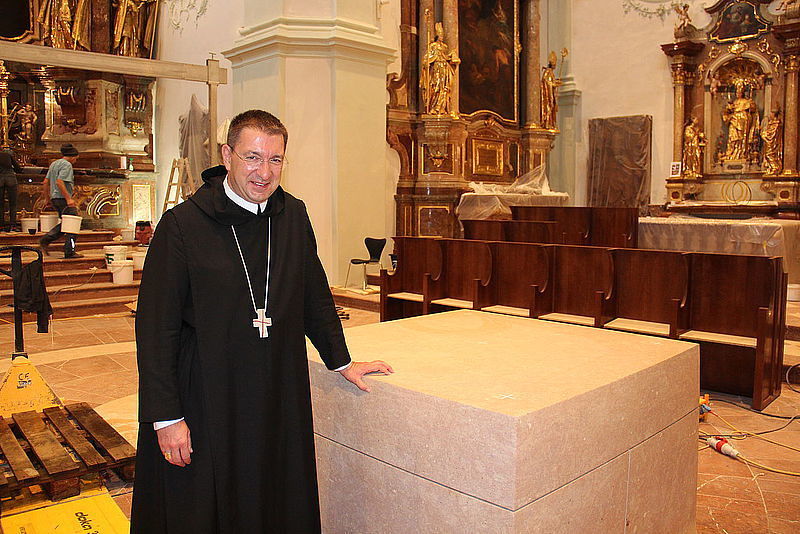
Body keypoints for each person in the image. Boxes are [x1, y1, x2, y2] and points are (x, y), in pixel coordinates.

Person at [131, 110, 393, 533]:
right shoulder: (183, 225)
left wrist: (342, 361)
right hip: (207, 397)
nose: (263, 172)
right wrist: (165, 417)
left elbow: (315, 297)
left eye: (275, 160)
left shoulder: (293, 216)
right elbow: (155, 328)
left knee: (275, 497)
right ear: (227, 155)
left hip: (276, 393)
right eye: (252, 157)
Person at [39, 144, 82, 258]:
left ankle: (46, 240)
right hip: (63, 199)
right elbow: (59, 182)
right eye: (76, 158)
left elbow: (45, 182)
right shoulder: (67, 165)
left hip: (55, 198)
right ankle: (69, 251)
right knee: (72, 224)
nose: (76, 161)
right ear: (72, 156)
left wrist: (47, 198)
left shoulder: (54, 164)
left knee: (66, 224)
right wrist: (68, 198)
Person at [0, 148, 22, 232]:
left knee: (0, 205)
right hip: (11, 179)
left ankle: (1, 227)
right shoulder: (7, 155)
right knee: (13, 204)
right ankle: (13, 226)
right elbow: (18, 168)